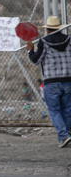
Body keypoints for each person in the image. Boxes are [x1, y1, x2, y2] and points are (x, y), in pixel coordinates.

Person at [27, 16, 71, 148]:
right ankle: (68, 133)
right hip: (68, 80)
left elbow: (36, 60)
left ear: (48, 30)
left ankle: (64, 136)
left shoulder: (43, 42)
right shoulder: (69, 40)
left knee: (54, 110)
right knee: (68, 109)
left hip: (51, 82)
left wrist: (30, 50)